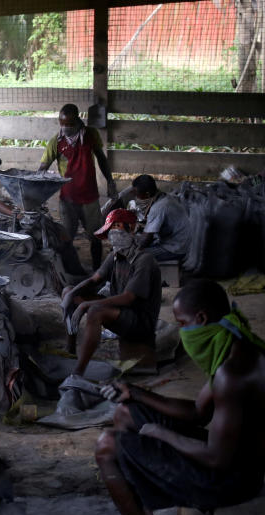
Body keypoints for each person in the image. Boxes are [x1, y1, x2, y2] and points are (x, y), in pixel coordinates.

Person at [95, 279, 265, 515]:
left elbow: (217, 459)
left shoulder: (232, 374)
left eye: (182, 324)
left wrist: (161, 433)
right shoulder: (235, 344)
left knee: (108, 445)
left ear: (201, 320)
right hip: (230, 457)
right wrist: (136, 393)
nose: (182, 332)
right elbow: (198, 412)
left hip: (233, 481)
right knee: (126, 412)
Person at [61, 208, 161, 377]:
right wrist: (72, 294)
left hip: (139, 320)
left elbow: (128, 298)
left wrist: (87, 304)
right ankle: (70, 350)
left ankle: (78, 372)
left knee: (94, 311)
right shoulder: (115, 255)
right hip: (121, 312)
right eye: (111, 229)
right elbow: (94, 279)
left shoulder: (144, 260)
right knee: (69, 291)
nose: (114, 233)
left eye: (118, 227)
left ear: (132, 228)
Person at [37, 103, 119, 270]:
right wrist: (36, 190)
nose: (65, 128)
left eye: (69, 124)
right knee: (66, 237)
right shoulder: (56, 142)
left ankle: (97, 270)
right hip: (68, 198)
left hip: (89, 196)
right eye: (62, 124)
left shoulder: (90, 135)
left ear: (78, 120)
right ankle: (69, 271)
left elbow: (102, 159)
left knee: (95, 236)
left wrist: (110, 181)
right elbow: (42, 168)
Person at [128, 175, 190, 263]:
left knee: (133, 255)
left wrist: (128, 244)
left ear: (147, 194)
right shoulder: (165, 197)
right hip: (180, 243)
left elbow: (145, 241)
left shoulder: (158, 207)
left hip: (175, 249)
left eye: (137, 194)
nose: (136, 197)